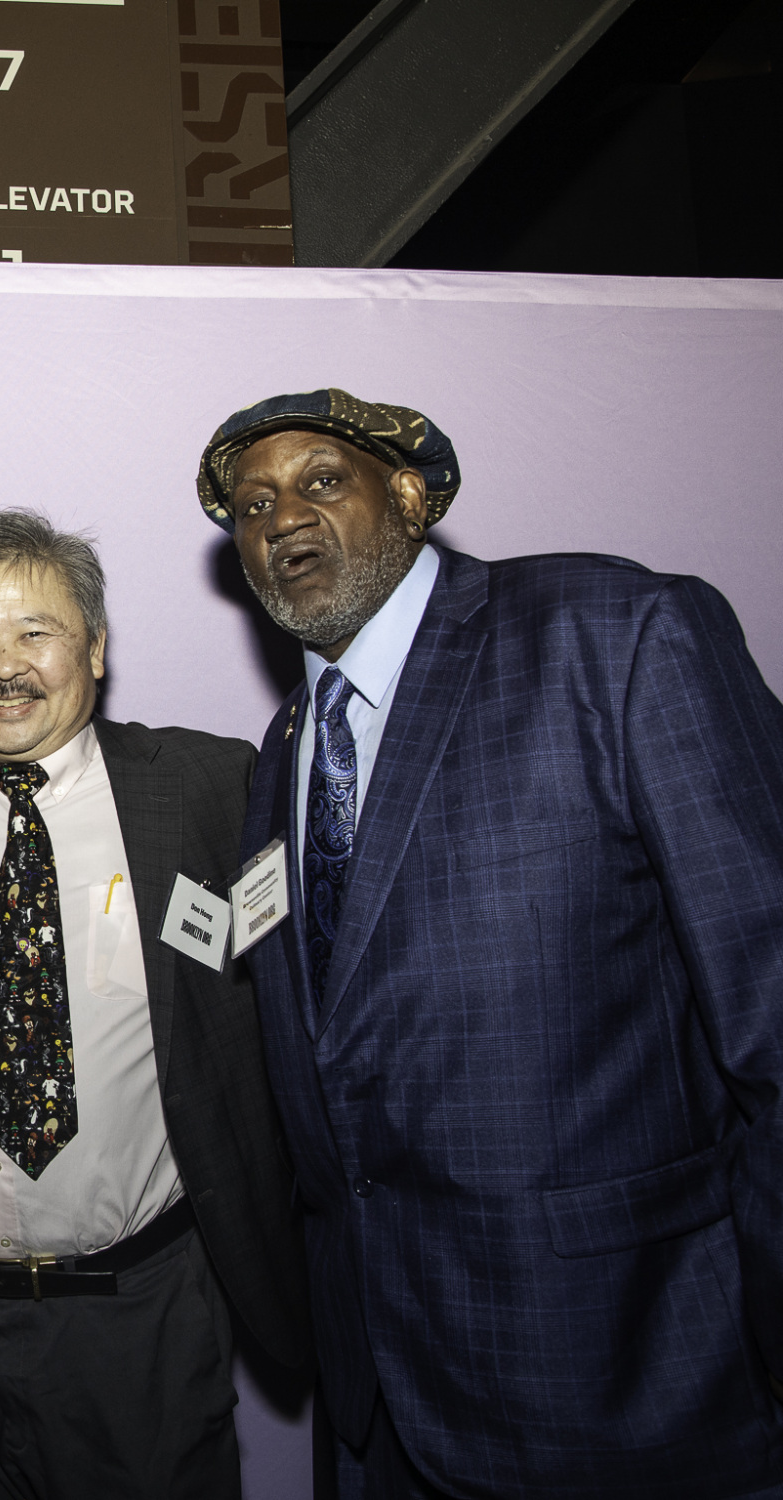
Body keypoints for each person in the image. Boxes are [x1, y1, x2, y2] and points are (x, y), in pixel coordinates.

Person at [199, 388, 783, 1499]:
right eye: (250, 505)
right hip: (377, 1392)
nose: (279, 520)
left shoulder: (608, 635)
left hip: (621, 1374)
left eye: (321, 480)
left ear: (411, 496)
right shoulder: (281, 751)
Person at [0, 510, 311, 1499]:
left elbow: (303, 971)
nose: (3, 666)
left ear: (95, 650)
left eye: (36, 632)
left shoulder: (206, 786)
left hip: (139, 1316)